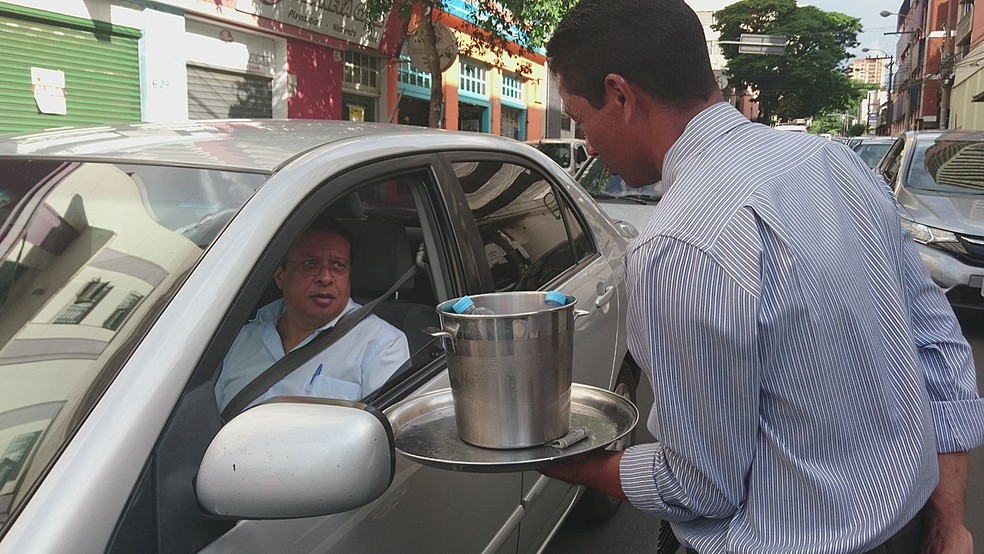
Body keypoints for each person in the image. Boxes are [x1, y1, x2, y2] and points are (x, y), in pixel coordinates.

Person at [540, 1, 984, 552]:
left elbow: (698, 486)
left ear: (621, 95)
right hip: (912, 527)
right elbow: (939, 343)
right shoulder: (834, 163)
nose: (588, 145)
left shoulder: (678, 246)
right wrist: (949, 518)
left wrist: (581, 467)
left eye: (582, 120)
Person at [215, 218, 410, 411]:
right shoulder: (240, 339)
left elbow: (387, 434)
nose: (325, 278)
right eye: (310, 264)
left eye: (338, 266)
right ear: (280, 276)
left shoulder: (381, 346)